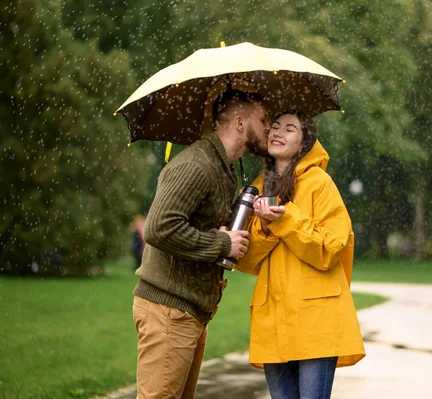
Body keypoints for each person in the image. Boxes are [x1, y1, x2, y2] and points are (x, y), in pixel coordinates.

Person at [132, 89, 271, 399]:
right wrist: (222, 243)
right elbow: (158, 228)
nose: (268, 128)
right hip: (168, 309)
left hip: (189, 311)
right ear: (239, 122)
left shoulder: (224, 169)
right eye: (262, 120)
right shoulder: (198, 164)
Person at [236, 112, 365, 399]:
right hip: (273, 320)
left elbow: (330, 249)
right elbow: (244, 259)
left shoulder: (320, 183)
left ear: (304, 142)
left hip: (316, 320)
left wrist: (285, 222)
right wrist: (266, 229)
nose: (278, 133)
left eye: (290, 129)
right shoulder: (258, 189)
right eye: (276, 127)